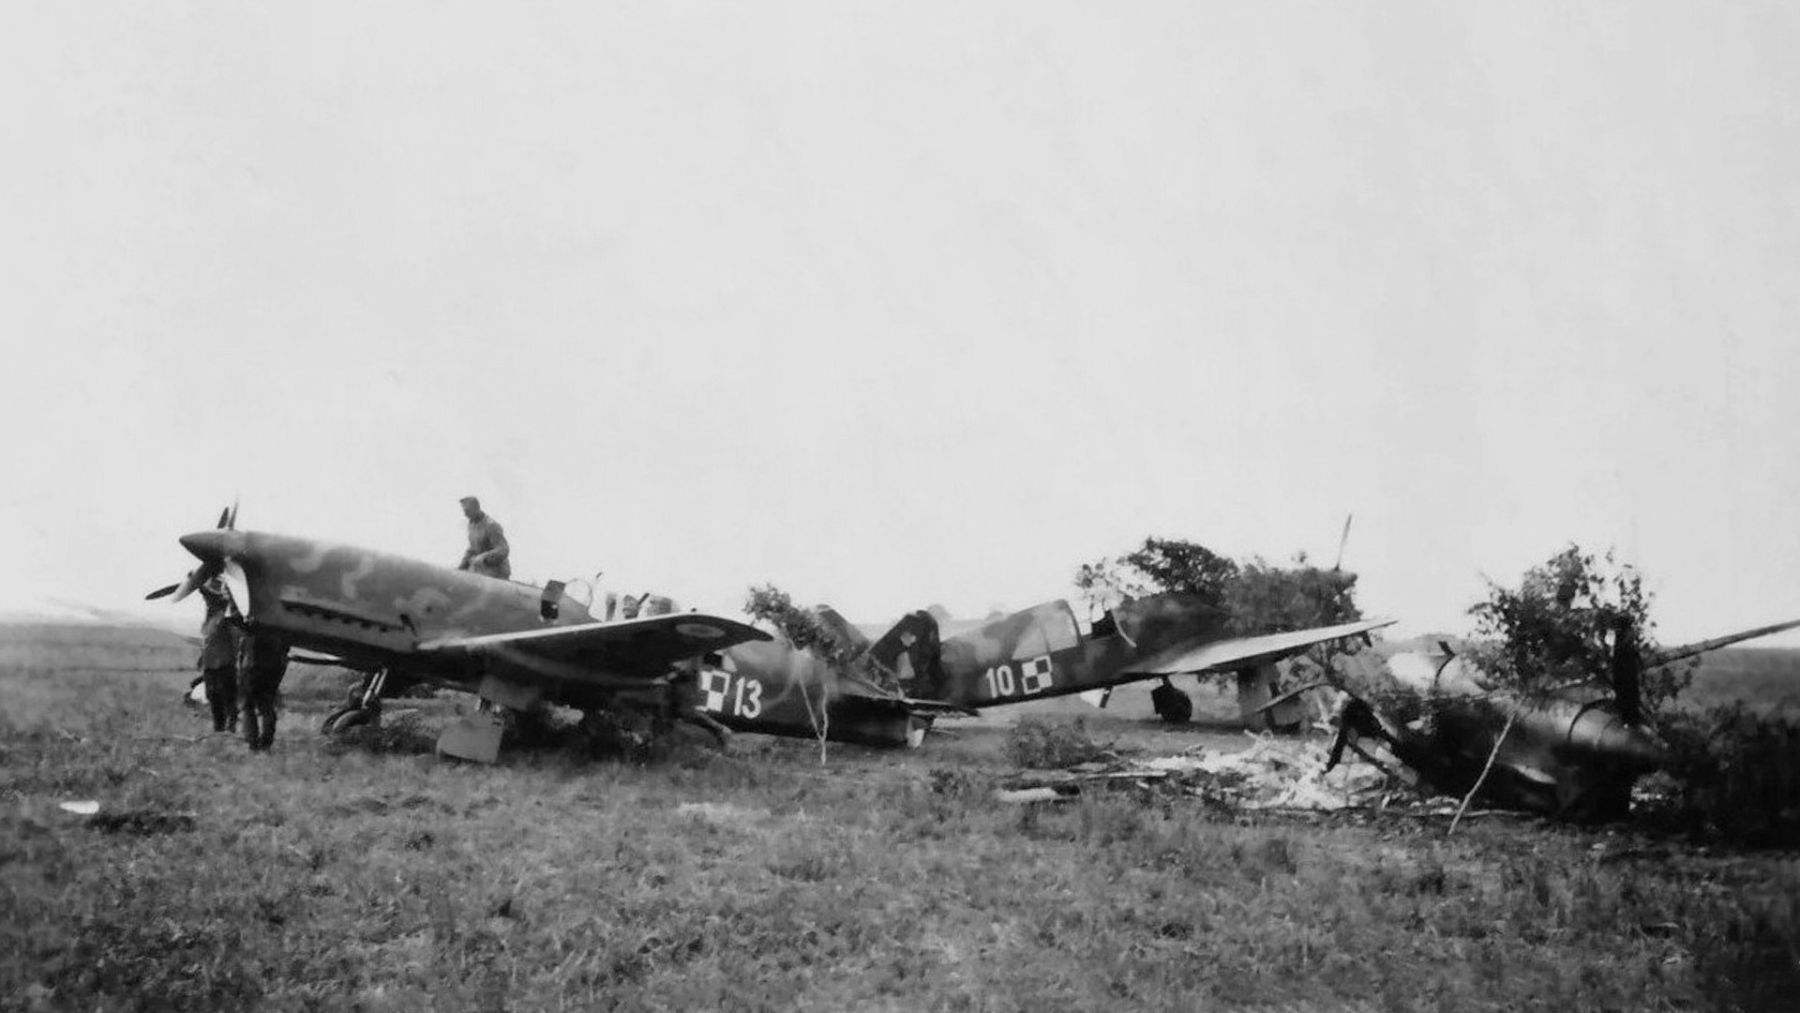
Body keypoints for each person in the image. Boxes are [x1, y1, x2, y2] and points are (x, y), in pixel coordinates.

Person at [195, 577, 241, 733]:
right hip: (211, 665)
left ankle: (229, 728)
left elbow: (235, 640)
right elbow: (208, 640)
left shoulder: (226, 616)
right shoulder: (211, 618)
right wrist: (202, 658)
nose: (206, 601)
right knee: (214, 698)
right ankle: (220, 729)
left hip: (224, 664)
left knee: (227, 699)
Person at [237, 624, 290, 752]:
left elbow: (242, 653)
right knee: (267, 707)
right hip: (271, 670)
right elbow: (284, 652)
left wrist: (241, 675)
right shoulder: (278, 629)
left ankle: (253, 743)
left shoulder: (252, 629)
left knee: (248, 707)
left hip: (251, 669)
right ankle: (266, 743)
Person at [456, 496, 511, 579]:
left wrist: (484, 557)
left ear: (476, 508)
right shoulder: (472, 525)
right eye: (464, 511)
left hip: (496, 570)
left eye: (467, 511)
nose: (465, 514)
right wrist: (461, 567)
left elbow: (503, 549)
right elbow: (473, 548)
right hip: (480, 567)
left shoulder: (491, 525)